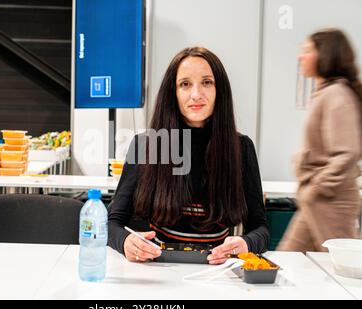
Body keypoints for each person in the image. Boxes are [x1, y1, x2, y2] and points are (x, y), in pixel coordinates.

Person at [108, 47, 269, 264]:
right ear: (172, 93)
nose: (196, 94)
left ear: (219, 90)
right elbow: (112, 223)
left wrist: (248, 243)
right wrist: (126, 242)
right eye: (185, 84)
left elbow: (261, 228)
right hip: (156, 269)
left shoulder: (241, 148)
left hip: (218, 273)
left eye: (207, 82)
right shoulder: (148, 145)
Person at [278, 29, 362, 252]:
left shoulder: (337, 95)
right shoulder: (328, 94)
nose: (300, 57)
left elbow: (347, 153)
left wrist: (316, 187)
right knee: (288, 263)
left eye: (307, 50)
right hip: (316, 202)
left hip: (332, 203)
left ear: (325, 55)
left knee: (342, 275)